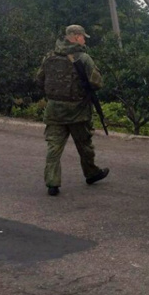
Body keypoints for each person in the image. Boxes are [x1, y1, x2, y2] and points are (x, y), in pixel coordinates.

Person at [36, 25, 110, 196]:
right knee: (84, 145)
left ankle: (52, 183)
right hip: (78, 111)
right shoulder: (83, 58)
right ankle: (91, 173)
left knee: (54, 147)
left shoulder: (49, 56)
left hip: (54, 110)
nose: (84, 40)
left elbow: (39, 79)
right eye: (83, 37)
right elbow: (97, 83)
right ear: (76, 37)